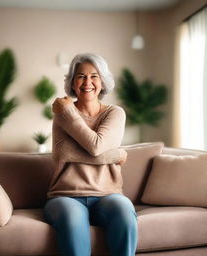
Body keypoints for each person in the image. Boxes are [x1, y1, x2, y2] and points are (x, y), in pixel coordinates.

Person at [43, 53, 138, 256]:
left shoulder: (115, 113)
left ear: (103, 81)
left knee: (124, 211)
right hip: (65, 195)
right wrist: (115, 155)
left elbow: (95, 146)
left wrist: (70, 119)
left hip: (108, 194)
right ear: (72, 82)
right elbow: (62, 153)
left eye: (94, 76)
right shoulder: (63, 113)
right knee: (72, 219)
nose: (88, 82)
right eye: (80, 76)